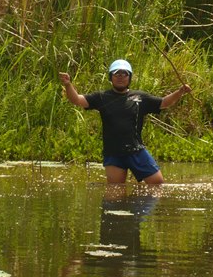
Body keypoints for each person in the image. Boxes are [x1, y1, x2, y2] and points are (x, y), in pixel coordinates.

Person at [59, 59, 191, 185]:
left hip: (136, 150)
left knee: (157, 184)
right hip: (113, 152)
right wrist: (68, 84)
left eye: (124, 74)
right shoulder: (101, 97)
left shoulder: (140, 97)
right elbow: (77, 100)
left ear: (129, 77)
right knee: (115, 192)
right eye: (117, 74)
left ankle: (138, 206)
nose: (120, 77)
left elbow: (164, 103)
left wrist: (179, 92)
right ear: (111, 77)